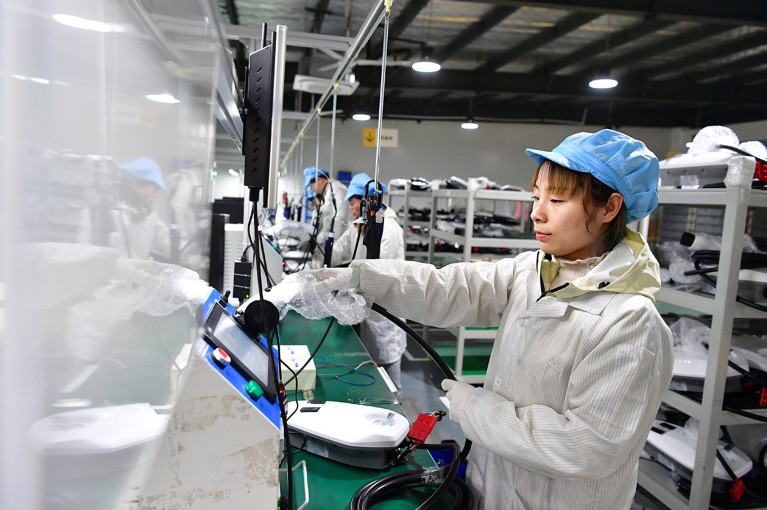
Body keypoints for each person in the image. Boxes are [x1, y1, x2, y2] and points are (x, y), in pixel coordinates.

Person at [294, 129, 674, 509]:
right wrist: (364, 277)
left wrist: (474, 408)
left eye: (556, 200)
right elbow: (449, 287)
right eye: (536, 196)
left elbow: (585, 447)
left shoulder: (631, 323)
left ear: (609, 208)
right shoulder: (535, 269)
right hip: (491, 485)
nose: (536, 212)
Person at [330, 173, 407, 389]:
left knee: (388, 357)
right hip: (367, 306)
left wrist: (345, 284)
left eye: (353, 203)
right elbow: (339, 251)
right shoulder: (358, 226)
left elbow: (375, 270)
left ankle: (398, 403)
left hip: (386, 309)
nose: (351, 208)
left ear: (367, 203)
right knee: (373, 359)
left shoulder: (388, 230)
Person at [108, 157, 171, 260]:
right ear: (134, 183)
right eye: (153, 190)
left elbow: (164, 240)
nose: (155, 195)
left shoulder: (148, 213)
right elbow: (119, 251)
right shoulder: (117, 213)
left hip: (137, 270)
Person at [302, 167, 351, 269]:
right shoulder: (326, 193)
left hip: (338, 251)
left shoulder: (339, 190)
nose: (311, 189)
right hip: (326, 247)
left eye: (311, 185)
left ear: (319, 180)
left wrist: (332, 251)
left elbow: (339, 221)